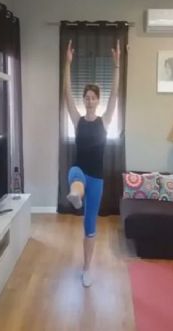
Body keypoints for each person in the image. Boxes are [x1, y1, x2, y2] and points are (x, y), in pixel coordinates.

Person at [63, 37, 120, 287]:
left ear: (98, 100)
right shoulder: (77, 120)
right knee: (75, 178)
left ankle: (87, 268)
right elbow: (67, 94)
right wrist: (67, 64)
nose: (89, 100)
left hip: (96, 178)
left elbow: (115, 95)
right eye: (86, 97)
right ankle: (76, 195)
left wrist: (117, 66)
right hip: (79, 171)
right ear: (83, 100)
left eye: (93, 97)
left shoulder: (104, 121)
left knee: (89, 226)